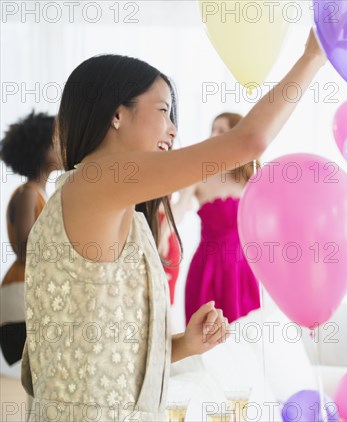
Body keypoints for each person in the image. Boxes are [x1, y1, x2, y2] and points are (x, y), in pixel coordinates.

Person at [22, 30, 326, 421]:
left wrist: (184, 344)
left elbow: (111, 345)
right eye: (163, 110)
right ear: (116, 114)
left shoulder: (115, 203)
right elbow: (249, 141)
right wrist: (313, 57)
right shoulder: (97, 180)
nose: (173, 129)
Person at [183, 112, 260, 324]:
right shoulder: (198, 176)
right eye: (212, 130)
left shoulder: (249, 179)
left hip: (241, 269)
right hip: (207, 268)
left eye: (221, 131)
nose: (214, 135)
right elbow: (178, 211)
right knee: (205, 332)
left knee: (244, 334)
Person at [0, 111, 60, 366]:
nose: (63, 146)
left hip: (30, 293)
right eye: (57, 140)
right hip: (21, 294)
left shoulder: (42, 194)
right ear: (40, 148)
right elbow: (28, 249)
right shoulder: (28, 193)